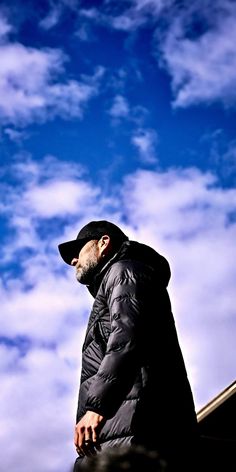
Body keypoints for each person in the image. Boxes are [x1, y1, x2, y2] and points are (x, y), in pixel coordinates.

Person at [58, 220, 199, 472]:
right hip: (121, 433)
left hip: (138, 432)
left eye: (78, 250)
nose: (73, 261)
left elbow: (126, 337)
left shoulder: (124, 271)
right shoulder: (118, 279)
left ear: (103, 243)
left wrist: (96, 407)